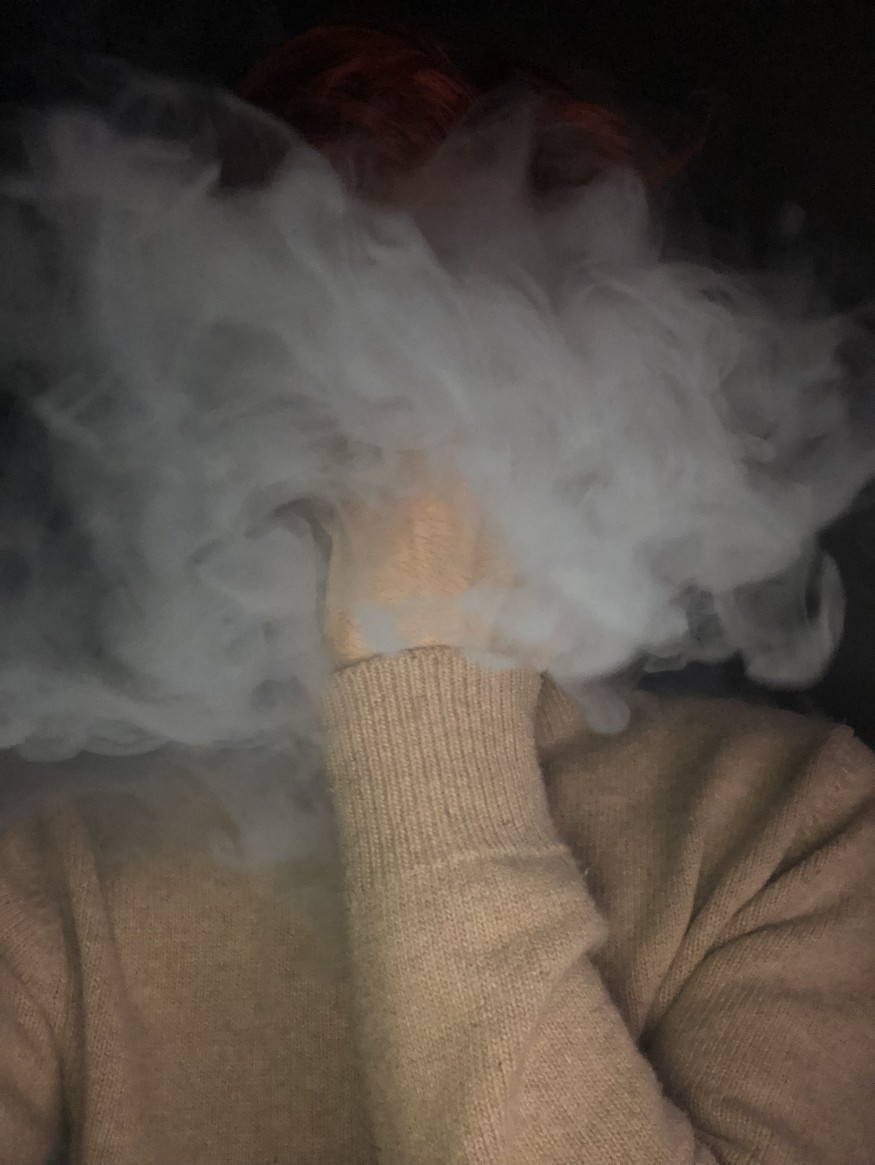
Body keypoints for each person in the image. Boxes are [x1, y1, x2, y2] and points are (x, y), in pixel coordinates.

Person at [1, 25, 873, 1165]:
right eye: (316, 334)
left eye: (460, 338)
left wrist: (430, 684)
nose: (391, 428)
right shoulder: (52, 863)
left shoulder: (790, 829)